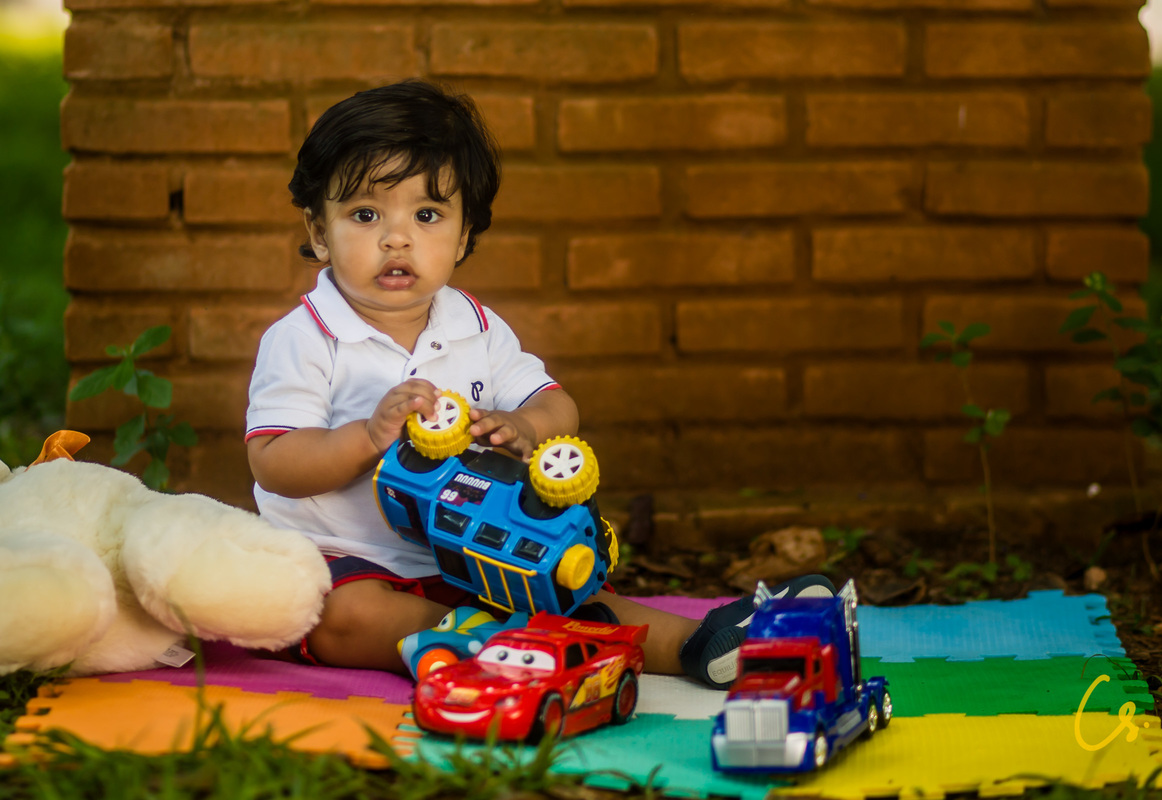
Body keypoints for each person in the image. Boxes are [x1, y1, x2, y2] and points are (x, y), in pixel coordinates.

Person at [245, 79, 833, 690]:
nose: (397, 238)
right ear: (319, 232)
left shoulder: (476, 327)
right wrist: (367, 436)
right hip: (347, 561)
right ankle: (487, 643)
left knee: (563, 584)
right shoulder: (305, 338)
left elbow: (556, 405)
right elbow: (272, 460)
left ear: (465, 234)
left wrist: (526, 427)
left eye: (427, 214)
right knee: (339, 618)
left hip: (465, 548)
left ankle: (702, 641)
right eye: (365, 214)